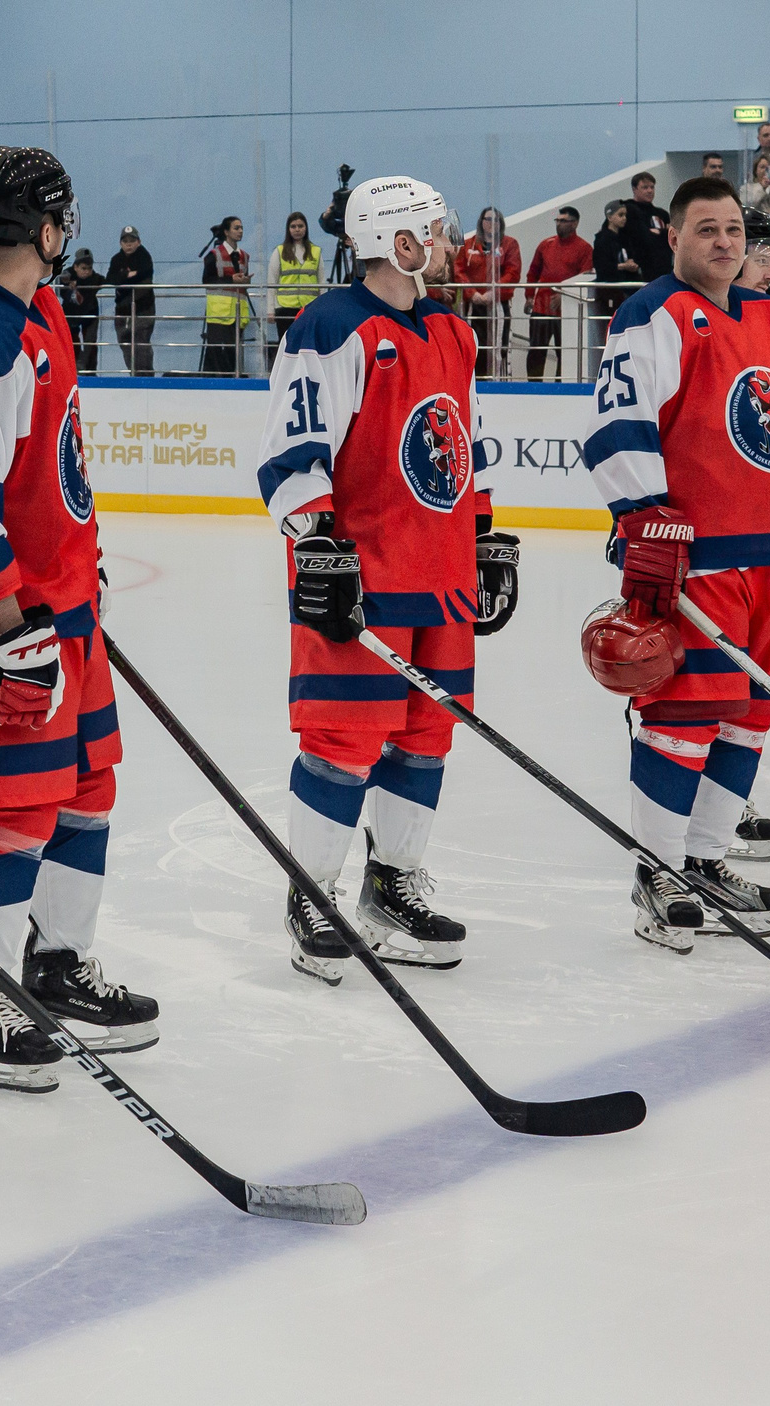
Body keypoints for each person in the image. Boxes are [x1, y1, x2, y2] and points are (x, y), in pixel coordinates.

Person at [0, 146, 158, 1091]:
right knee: (12, 815)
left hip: (62, 610)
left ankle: (53, 964)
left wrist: (74, 598)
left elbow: (53, 474)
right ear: (46, 227)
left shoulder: (37, 309)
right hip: (0, 623)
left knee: (87, 790)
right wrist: (16, 633)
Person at [254, 175, 504, 982]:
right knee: (343, 740)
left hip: (442, 575)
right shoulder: (331, 326)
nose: (447, 239)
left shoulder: (451, 331)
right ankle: (313, 893)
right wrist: (319, 547)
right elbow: (292, 453)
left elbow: (468, 442)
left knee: (427, 737)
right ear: (400, 242)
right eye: (434, 228)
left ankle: (392, 887)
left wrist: (485, 537)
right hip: (364, 578)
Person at [584, 177, 770, 947]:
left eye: (733, 230)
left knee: (751, 717)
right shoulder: (652, 314)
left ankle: (709, 863)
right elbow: (617, 427)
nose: (723, 242)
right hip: (698, 559)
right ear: (676, 237)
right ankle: (659, 871)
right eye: (706, 229)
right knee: (683, 714)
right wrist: (645, 516)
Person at [525, 204, 592, 380]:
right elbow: (533, 272)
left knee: (566, 354)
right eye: (558, 220)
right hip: (541, 309)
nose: (559, 224)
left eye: (563, 221)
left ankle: (561, 386)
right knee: (536, 352)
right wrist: (529, 297)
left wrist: (564, 296)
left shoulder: (584, 249)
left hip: (567, 312)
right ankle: (532, 387)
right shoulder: (545, 245)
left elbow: (584, 279)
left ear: (575, 223)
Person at [455, 207, 521, 378]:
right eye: (487, 219)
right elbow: (458, 270)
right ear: (481, 222)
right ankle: (474, 382)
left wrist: (494, 292)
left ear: (501, 223)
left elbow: (513, 272)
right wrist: (472, 293)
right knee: (473, 346)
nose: (491, 223)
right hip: (473, 305)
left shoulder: (510, 244)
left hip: (499, 305)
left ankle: (498, 382)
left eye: (495, 219)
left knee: (500, 347)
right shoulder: (468, 245)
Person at [270, 210, 323, 365]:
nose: (297, 229)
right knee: (286, 346)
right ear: (288, 229)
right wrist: (270, 309)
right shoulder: (279, 251)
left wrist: (322, 308)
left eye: (300, 226)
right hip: (285, 307)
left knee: (308, 347)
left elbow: (321, 282)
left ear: (306, 228)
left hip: (309, 307)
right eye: (293, 226)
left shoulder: (316, 251)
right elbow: (271, 281)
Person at [201, 216, 251, 376]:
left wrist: (245, 281)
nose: (240, 231)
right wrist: (231, 279)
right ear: (226, 231)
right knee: (216, 353)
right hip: (219, 312)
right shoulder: (214, 254)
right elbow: (207, 280)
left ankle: (231, 379)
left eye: (241, 228)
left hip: (238, 312)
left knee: (233, 352)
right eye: (236, 228)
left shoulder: (244, 255)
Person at [105, 226, 155, 374]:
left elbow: (144, 274)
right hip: (122, 309)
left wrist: (123, 277)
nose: (128, 244)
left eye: (132, 241)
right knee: (125, 343)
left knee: (141, 343)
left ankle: (145, 375)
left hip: (143, 309)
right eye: (125, 241)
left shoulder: (144, 257)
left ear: (138, 242)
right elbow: (111, 279)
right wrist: (127, 275)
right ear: (120, 243)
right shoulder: (116, 259)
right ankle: (133, 372)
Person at [591, 199, 642, 317]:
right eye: (620, 215)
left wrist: (631, 263)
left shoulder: (623, 237)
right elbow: (601, 266)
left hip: (625, 287)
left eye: (625, 215)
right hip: (612, 289)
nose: (624, 218)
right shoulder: (602, 240)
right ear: (609, 217)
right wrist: (624, 266)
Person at [57, 247, 104, 372]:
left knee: (90, 344)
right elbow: (62, 290)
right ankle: (74, 369)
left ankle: (90, 371)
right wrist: (69, 287)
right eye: (83, 268)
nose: (87, 271)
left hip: (89, 314)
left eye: (89, 268)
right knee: (72, 343)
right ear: (76, 266)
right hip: (71, 315)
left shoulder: (95, 278)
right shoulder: (67, 275)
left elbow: (102, 281)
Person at [626, 172, 674, 284]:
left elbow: (672, 238)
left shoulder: (662, 214)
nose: (649, 191)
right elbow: (643, 238)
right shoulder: (628, 211)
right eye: (645, 187)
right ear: (634, 189)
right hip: (640, 271)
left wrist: (659, 233)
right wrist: (663, 233)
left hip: (664, 270)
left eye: (652, 187)